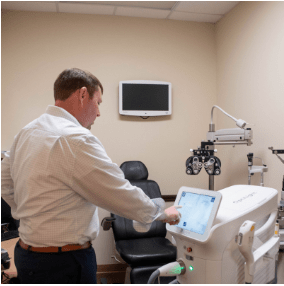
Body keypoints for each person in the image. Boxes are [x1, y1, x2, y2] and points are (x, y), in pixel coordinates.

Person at [1, 68, 181, 284]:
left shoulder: (26, 132)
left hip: (26, 255)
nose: (98, 113)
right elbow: (118, 192)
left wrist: (29, 212)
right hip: (64, 262)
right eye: (98, 103)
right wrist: (161, 212)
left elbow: (4, 183)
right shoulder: (76, 139)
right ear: (83, 94)